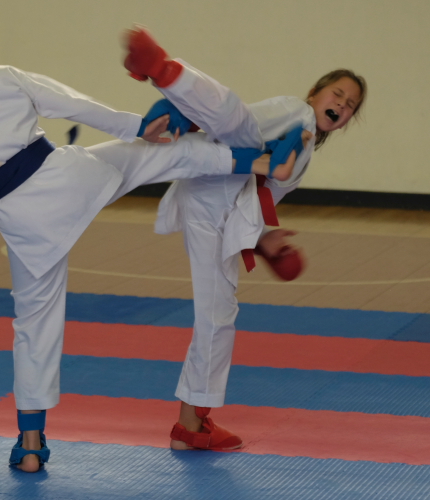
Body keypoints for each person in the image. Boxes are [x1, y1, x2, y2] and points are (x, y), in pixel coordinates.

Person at [0, 16, 281, 473]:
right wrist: (139, 126)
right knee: (156, 156)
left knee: (33, 325)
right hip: (66, 179)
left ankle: (30, 444)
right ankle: (256, 161)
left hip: (22, 219)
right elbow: (71, 104)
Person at [123, 26, 367, 451]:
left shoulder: (305, 148)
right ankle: (167, 73)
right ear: (315, 93)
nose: (341, 105)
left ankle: (192, 424)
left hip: (216, 203)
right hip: (216, 175)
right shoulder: (296, 111)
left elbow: (253, 198)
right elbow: (243, 121)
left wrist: (265, 240)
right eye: (337, 94)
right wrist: (190, 117)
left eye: (350, 105)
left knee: (218, 313)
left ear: (347, 121)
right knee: (237, 121)